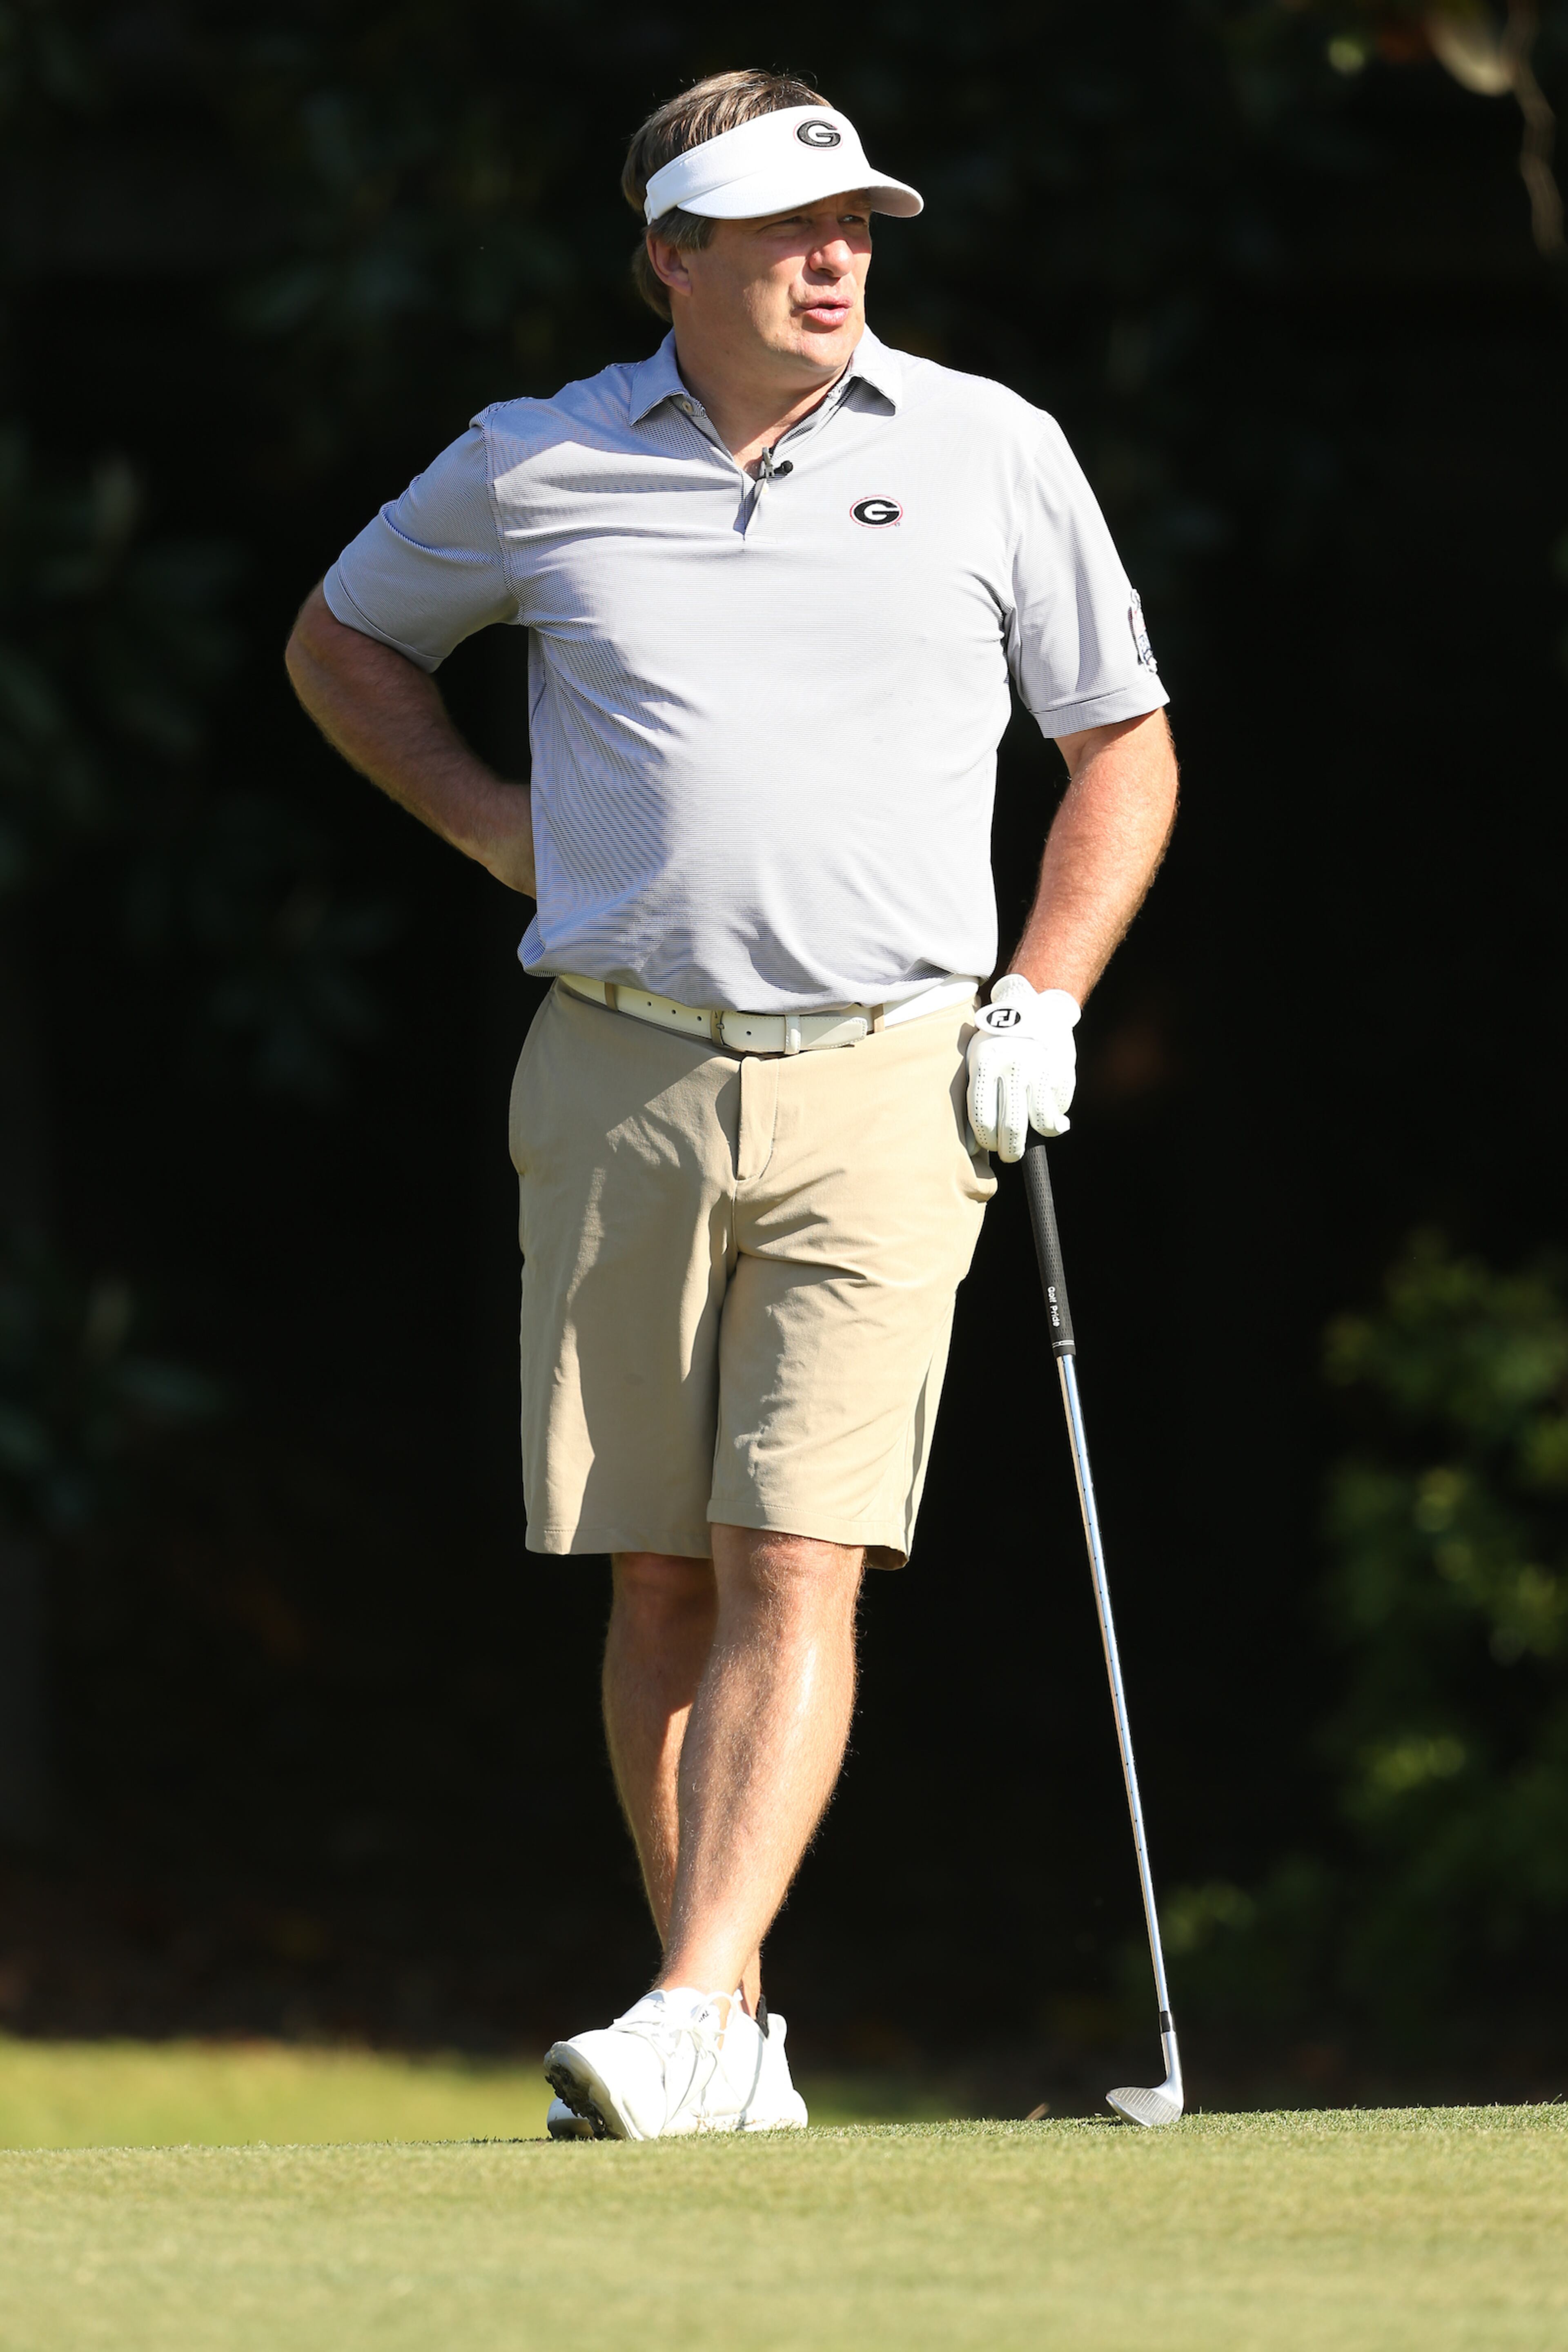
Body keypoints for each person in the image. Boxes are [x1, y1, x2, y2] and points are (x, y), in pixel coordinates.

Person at [284, 68, 1178, 2142]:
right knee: (660, 1576)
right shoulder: (540, 464)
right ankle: (737, 2033)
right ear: (671, 256)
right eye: (782, 232)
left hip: (891, 1074)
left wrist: (1044, 991)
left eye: (853, 220)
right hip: (614, 1063)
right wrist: (503, 833)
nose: (834, 257)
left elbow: (1120, 742)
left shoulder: (986, 450)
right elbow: (345, 648)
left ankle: (682, 2005)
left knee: (801, 1552)